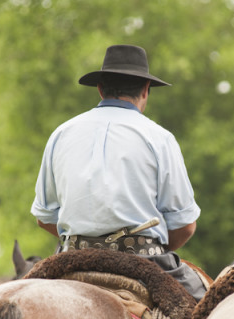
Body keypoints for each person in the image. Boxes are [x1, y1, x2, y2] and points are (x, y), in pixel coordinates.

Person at [31, 44, 206, 301]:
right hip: (143, 260)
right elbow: (185, 226)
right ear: (146, 90)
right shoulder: (159, 138)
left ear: (101, 89)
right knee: (204, 312)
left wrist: (91, 242)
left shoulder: (61, 133)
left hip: (72, 257)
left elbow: (44, 217)